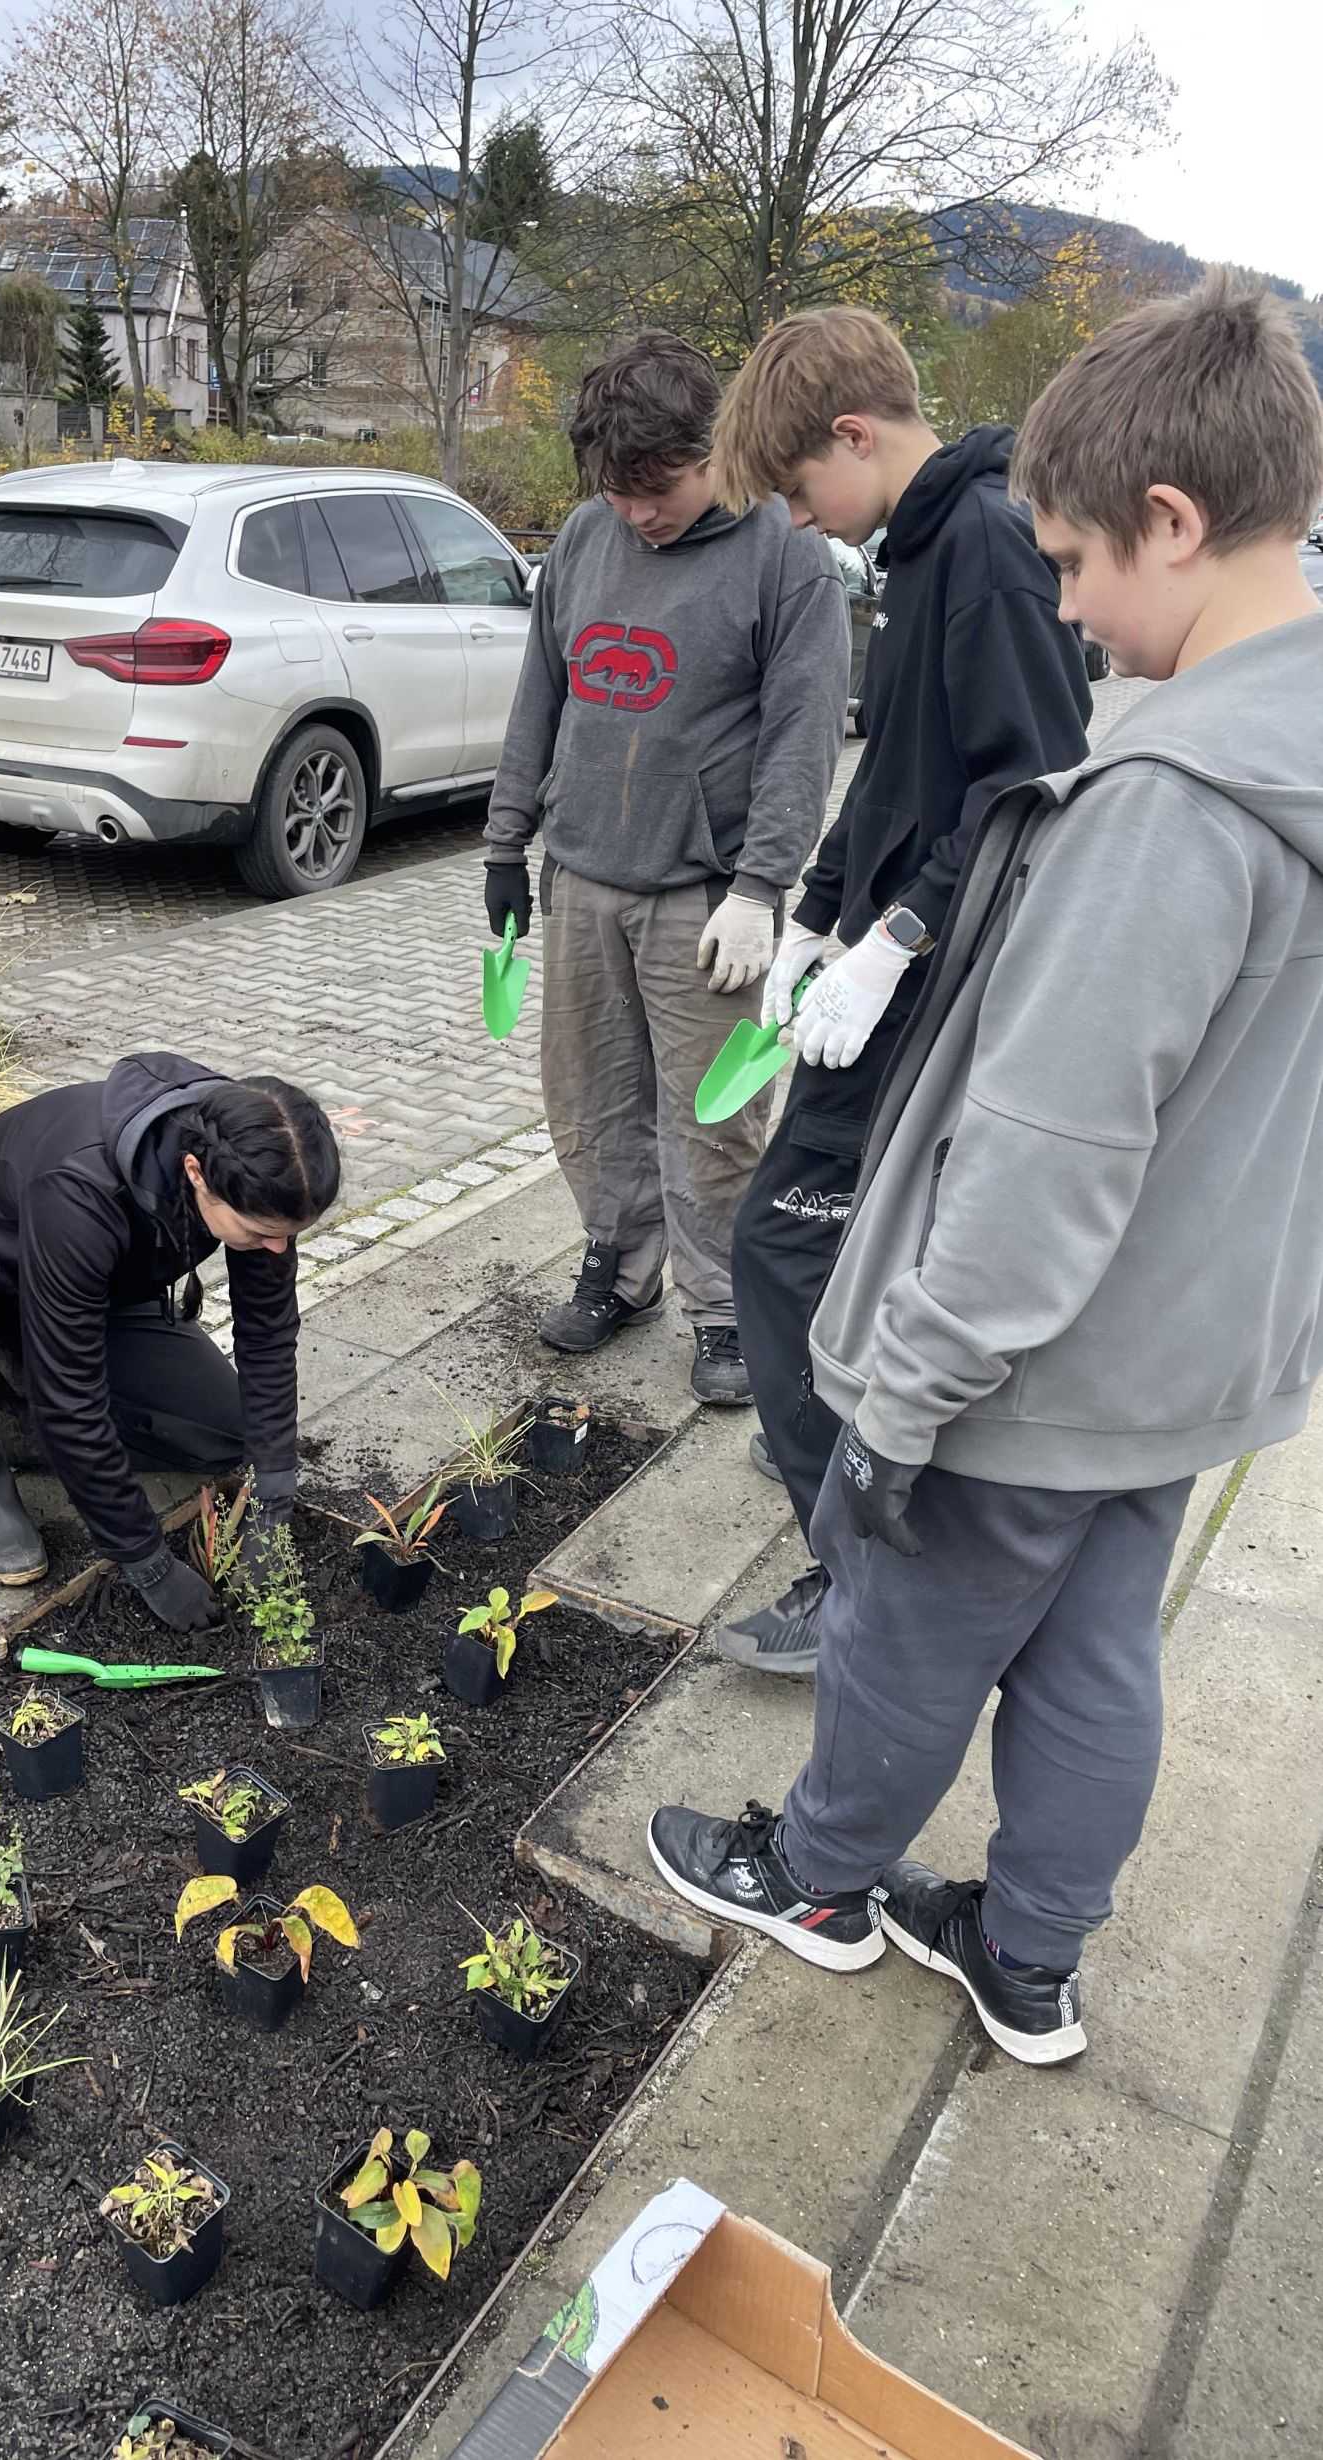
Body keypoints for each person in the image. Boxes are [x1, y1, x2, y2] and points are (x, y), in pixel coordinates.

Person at [645, 273, 1323, 2065]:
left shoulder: (1177, 805)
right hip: (1194, 1357)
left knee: (904, 1626)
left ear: (1174, 524)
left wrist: (904, 1400)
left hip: (1048, 1356)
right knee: (1098, 1656)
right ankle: (1028, 1959)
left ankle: (815, 1871)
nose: (1076, 619)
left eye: (1088, 568)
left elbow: (1048, 1152)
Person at [708, 307, 1094, 1678]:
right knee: (840, 1251)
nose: (808, 524)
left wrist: (898, 942)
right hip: (877, 964)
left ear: (854, 437)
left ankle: (850, 1573)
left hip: (928, 986)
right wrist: (817, 912)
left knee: (783, 1249)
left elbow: (1037, 777)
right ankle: (849, 1493)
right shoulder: (924, 549)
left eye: (805, 490)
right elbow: (895, 771)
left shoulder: (985, 546)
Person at [483, 331, 849, 1406]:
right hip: (584, 875)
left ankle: (724, 1303)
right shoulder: (590, 541)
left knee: (712, 1117)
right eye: (617, 490)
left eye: (660, 488)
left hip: (706, 896)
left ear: (714, 450)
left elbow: (803, 735)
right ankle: (619, 1265)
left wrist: (761, 887)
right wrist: (507, 843)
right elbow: (538, 698)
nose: (638, 513)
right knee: (591, 1097)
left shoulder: (785, 556)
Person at [0, 1055, 339, 1629]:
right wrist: (148, 1564)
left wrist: (274, 1500)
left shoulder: (256, 1172)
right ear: (196, 1173)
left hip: (80, 1289)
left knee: (222, 1434)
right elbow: (71, 1398)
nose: (276, 1250)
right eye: (261, 1234)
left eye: (289, 1236)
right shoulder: (82, 1185)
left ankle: (10, 1395)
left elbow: (267, 1336)